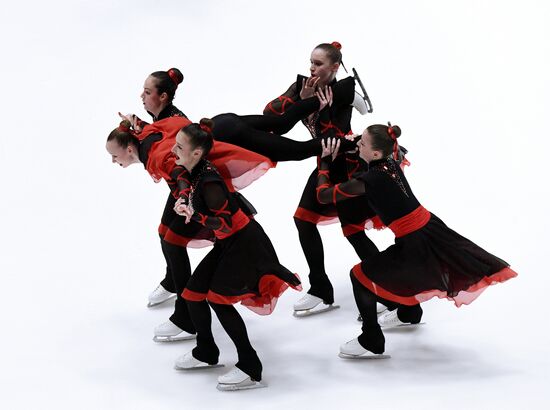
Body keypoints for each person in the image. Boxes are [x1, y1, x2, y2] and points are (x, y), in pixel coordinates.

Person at [315, 125, 518, 358]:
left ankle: (371, 339)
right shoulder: (390, 160)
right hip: (429, 227)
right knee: (401, 273)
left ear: (375, 153)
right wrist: (357, 151)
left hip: (416, 239)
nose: (358, 142)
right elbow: (371, 167)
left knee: (359, 275)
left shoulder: (371, 179)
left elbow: (323, 196)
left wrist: (325, 163)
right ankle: (408, 315)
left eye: (363, 142)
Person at [106, 115, 276, 342]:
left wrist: (190, 207)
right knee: (184, 272)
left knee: (208, 291)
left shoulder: (193, 174)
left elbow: (181, 177)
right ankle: (201, 340)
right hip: (221, 229)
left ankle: (242, 361)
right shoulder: (160, 146)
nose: (172, 150)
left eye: (114, 156)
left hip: (238, 237)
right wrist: (138, 122)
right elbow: (180, 172)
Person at [171, 119, 301, 391]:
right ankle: (206, 352)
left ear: (197, 153)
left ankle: (250, 367)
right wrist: (183, 198)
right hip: (228, 243)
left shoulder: (210, 183)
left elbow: (226, 224)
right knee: (192, 293)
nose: (173, 149)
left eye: (179, 146)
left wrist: (195, 215)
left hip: (243, 245)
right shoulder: (194, 169)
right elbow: (180, 176)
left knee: (219, 300)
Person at [263, 42, 381, 316]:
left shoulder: (342, 93)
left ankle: (390, 291)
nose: (312, 68)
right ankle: (320, 289)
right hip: (325, 162)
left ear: (335, 67)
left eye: (318, 64)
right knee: (303, 220)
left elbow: (330, 133)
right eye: (311, 62)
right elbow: (270, 113)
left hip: (347, 164)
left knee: (353, 232)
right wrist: (299, 98)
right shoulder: (304, 86)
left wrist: (310, 104)